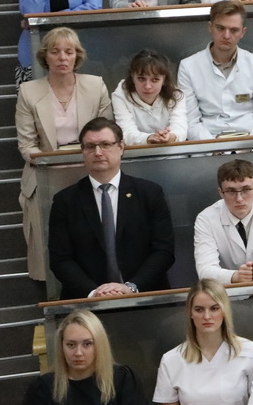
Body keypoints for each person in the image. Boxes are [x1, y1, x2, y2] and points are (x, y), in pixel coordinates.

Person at [46, 116, 173, 298]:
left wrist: (131, 287)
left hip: (145, 297)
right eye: (90, 146)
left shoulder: (150, 193)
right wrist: (94, 293)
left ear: (121, 147)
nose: (98, 152)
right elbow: (61, 259)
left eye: (105, 144)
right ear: (82, 151)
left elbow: (164, 251)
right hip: (87, 302)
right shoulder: (65, 201)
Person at [154, 282, 253, 405]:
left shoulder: (251, 351)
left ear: (224, 310)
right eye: (199, 309)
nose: (207, 316)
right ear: (190, 313)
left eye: (214, 308)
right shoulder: (171, 360)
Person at [178, 1, 253, 140]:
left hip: (251, 140)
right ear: (210, 27)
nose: (226, 35)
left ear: (243, 32)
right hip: (208, 141)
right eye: (220, 28)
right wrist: (213, 147)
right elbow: (190, 121)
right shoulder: (188, 66)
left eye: (234, 30)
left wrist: (249, 145)